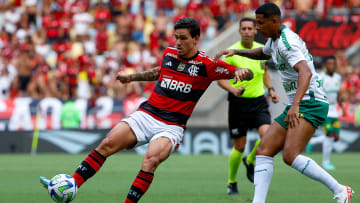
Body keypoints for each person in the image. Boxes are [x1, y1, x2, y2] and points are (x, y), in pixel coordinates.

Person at [39, 17, 253, 203]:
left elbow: (244, 72)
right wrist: (131, 77)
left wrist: (243, 71)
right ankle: (72, 184)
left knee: (150, 160)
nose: (178, 42)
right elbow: (160, 72)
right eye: (176, 37)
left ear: (196, 39)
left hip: (171, 126)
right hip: (147, 114)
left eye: (183, 38)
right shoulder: (169, 54)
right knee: (107, 144)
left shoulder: (207, 65)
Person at [214, 3, 353, 203]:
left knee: (290, 155)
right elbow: (263, 53)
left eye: (261, 23)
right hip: (299, 103)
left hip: (310, 104)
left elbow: (304, 71)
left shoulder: (288, 42)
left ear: (274, 21)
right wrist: (237, 52)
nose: (258, 28)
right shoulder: (275, 40)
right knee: (264, 150)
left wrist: (295, 105)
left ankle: (340, 190)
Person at [216, 17, 279, 195]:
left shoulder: (262, 51)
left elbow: (265, 72)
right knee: (239, 147)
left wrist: (272, 90)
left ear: (255, 31)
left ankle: (251, 160)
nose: (246, 31)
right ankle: (232, 182)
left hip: (259, 102)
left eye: (250, 28)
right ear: (239, 31)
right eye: (243, 28)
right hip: (238, 103)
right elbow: (219, 78)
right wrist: (233, 90)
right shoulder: (232, 52)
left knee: (267, 137)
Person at [306, 56, 342, 171]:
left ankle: (313, 141)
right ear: (325, 65)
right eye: (329, 64)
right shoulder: (320, 77)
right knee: (330, 134)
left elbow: (338, 94)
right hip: (324, 110)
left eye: (333, 64)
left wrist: (341, 106)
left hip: (335, 111)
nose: (331, 66)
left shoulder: (338, 77)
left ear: (335, 65)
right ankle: (326, 162)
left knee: (335, 137)